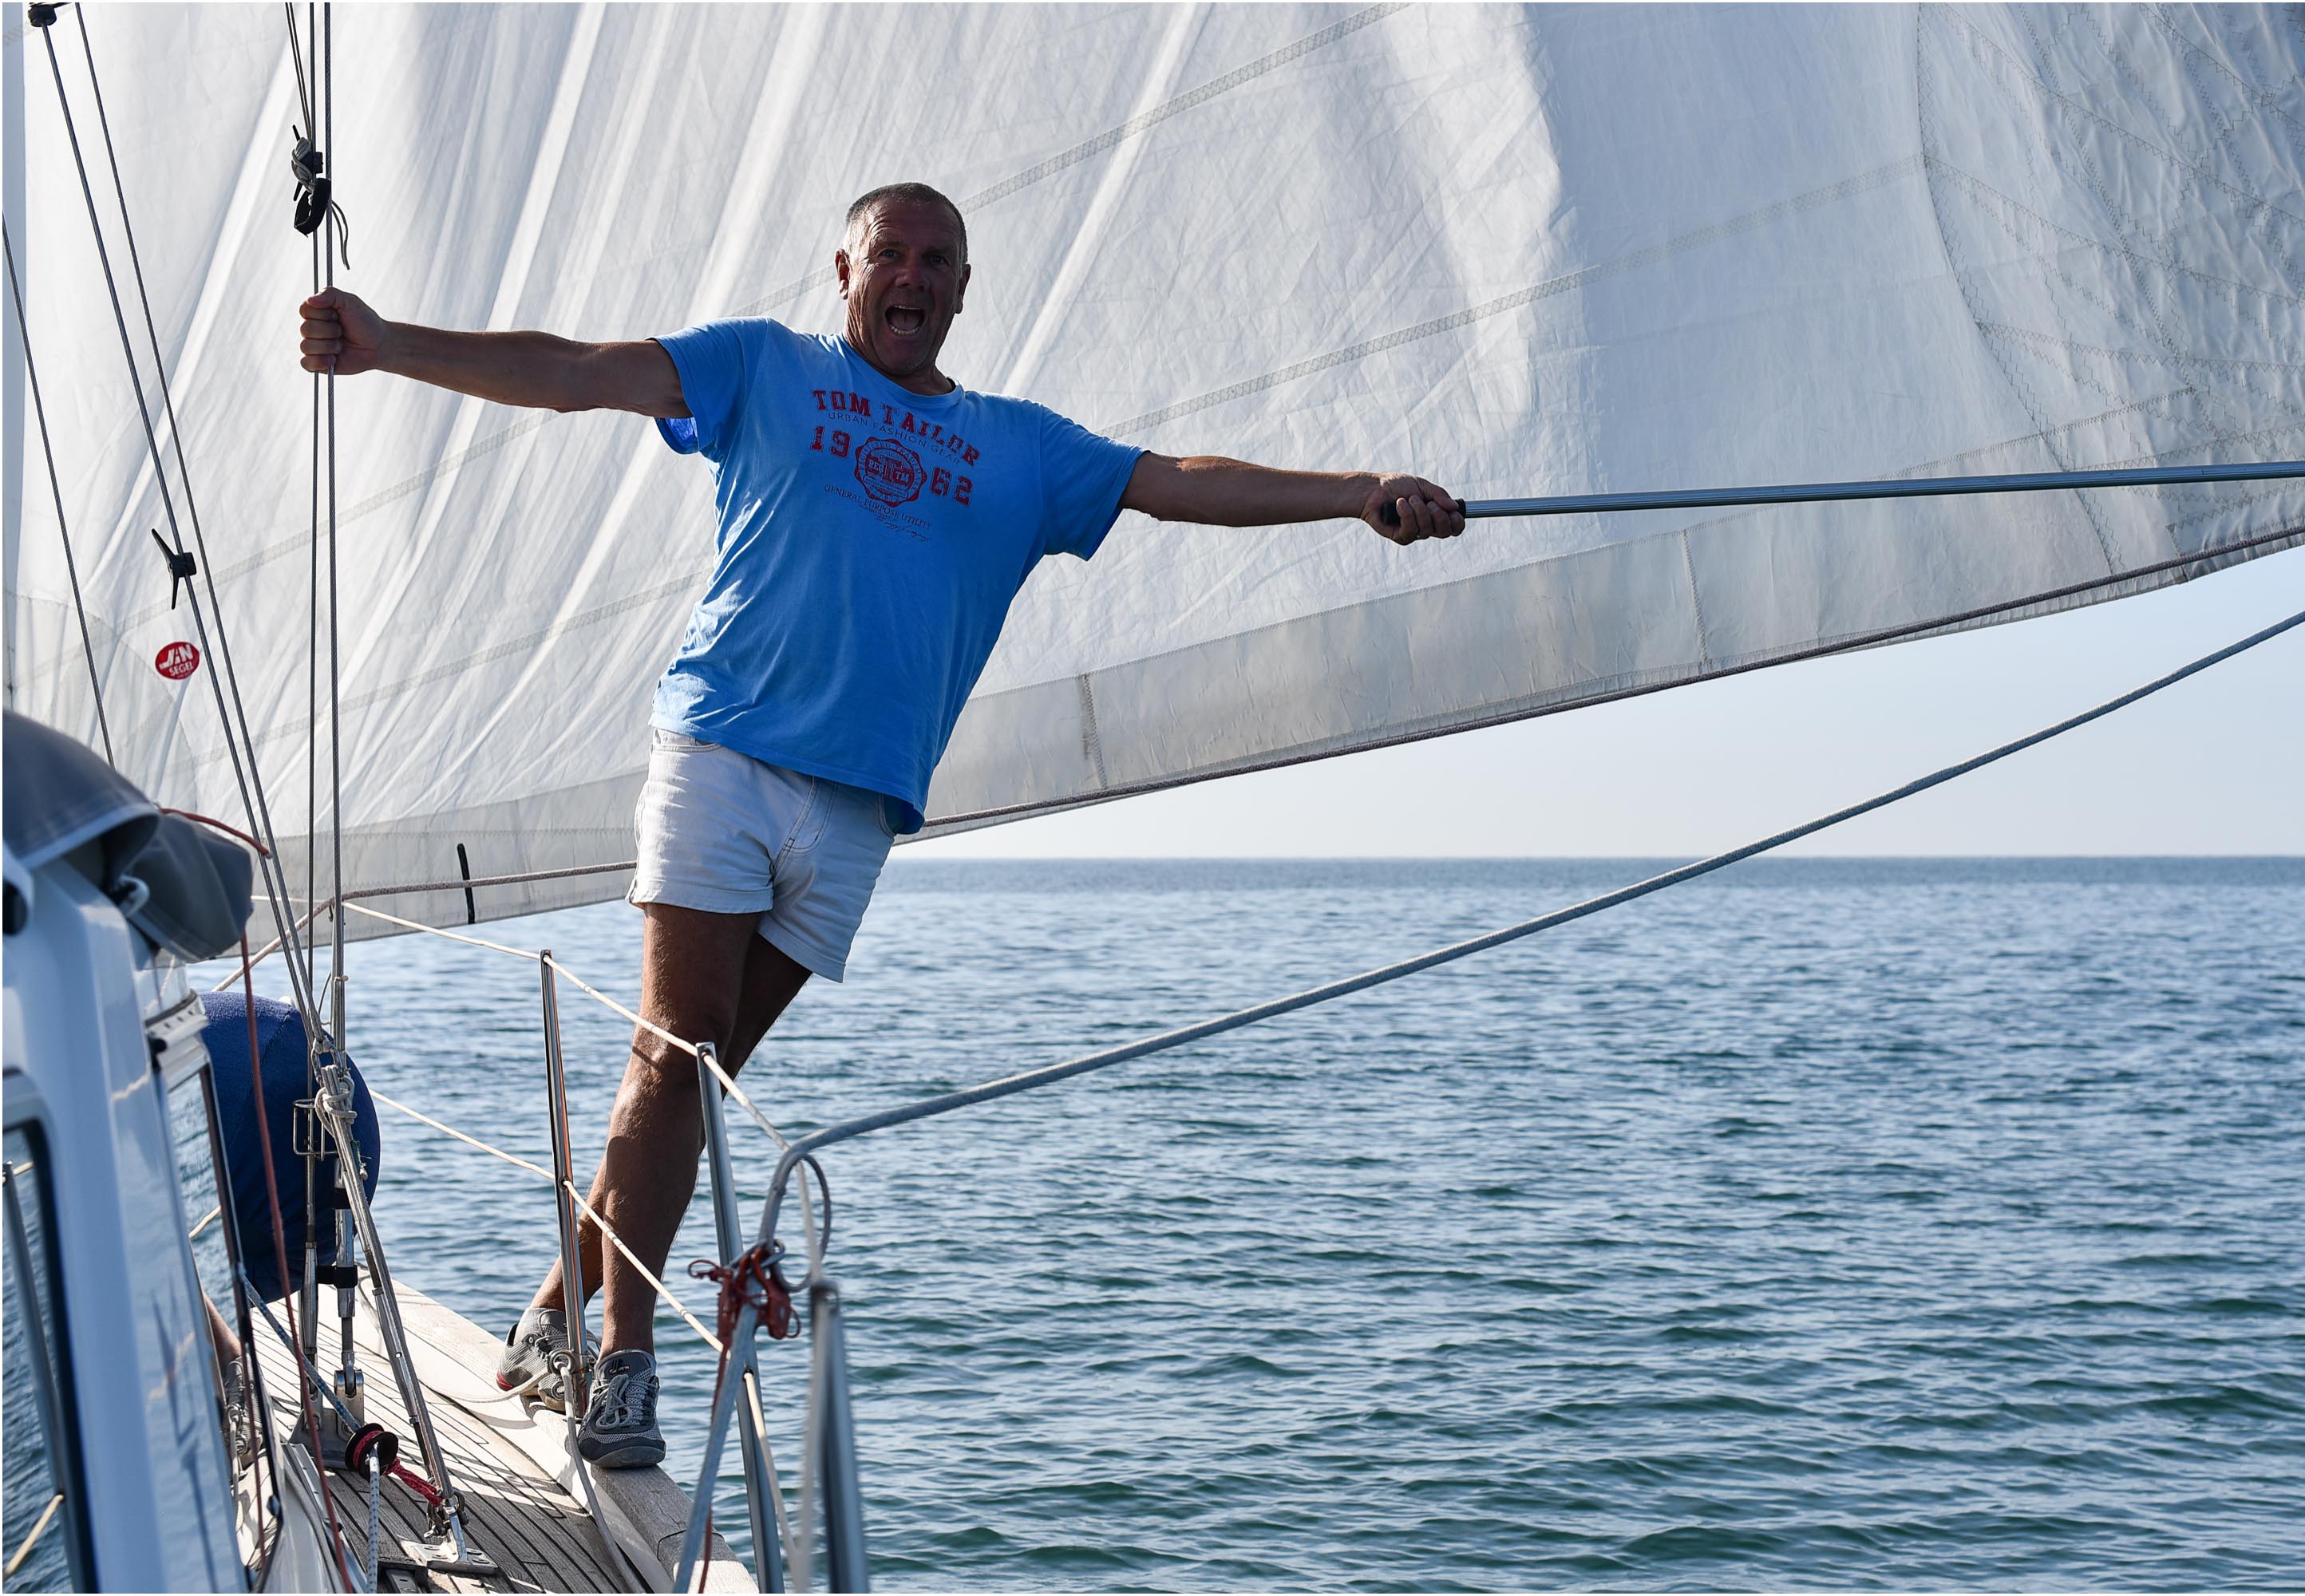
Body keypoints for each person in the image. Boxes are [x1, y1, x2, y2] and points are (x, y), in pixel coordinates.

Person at [298, 181, 1465, 1467]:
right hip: (726, 754)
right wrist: (390, 340)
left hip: (859, 811)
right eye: (890, 254)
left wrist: (1358, 493)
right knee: (673, 1050)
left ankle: (562, 1300)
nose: (913, 277)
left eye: (939, 261)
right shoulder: (762, 367)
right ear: (843, 271)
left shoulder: (1022, 448)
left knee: (691, 1077)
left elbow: (1178, 482)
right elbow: (578, 370)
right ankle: (621, 1365)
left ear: (964, 291)